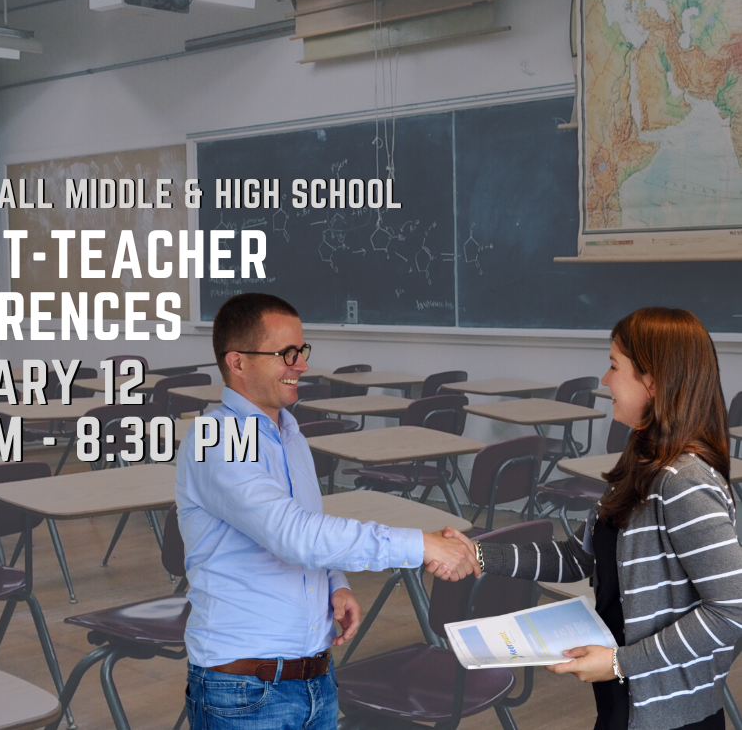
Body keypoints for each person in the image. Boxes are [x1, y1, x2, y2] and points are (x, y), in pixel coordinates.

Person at [176, 292, 478, 729]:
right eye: (286, 353)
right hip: (245, 688)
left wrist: (335, 583)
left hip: (315, 676)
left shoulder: (289, 433)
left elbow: (309, 528)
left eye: (302, 350)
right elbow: (294, 536)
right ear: (237, 362)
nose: (301, 364)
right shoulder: (218, 439)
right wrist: (421, 544)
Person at [444, 307, 742, 730]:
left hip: (668, 717)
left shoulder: (684, 482)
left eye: (614, 366)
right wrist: (478, 555)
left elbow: (731, 610)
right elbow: (579, 557)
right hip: (625, 704)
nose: (604, 380)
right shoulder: (643, 460)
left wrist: (620, 662)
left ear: (653, 382)